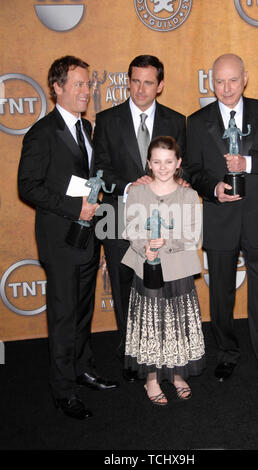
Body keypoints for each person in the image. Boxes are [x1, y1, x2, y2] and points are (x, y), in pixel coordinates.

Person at [186, 53, 258, 384]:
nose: (226, 88)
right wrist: (213, 188)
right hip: (219, 217)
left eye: (233, 80)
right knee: (221, 291)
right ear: (211, 82)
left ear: (245, 78)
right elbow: (192, 170)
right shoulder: (196, 120)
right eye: (219, 81)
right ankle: (227, 353)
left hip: (257, 216)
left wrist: (247, 164)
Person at [18, 56, 118, 420]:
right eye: (78, 84)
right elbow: (27, 186)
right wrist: (74, 208)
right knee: (63, 317)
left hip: (88, 239)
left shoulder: (88, 128)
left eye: (88, 84)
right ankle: (62, 390)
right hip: (61, 241)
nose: (86, 91)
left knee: (82, 312)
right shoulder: (41, 133)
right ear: (56, 87)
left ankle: (82, 367)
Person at [93, 55, 186, 382]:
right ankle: (132, 354)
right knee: (123, 288)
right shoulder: (106, 120)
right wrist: (132, 185)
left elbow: (181, 167)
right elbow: (98, 170)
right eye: (135, 81)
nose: (140, 89)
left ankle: (163, 351)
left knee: (160, 287)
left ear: (159, 85)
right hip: (118, 218)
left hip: (163, 223)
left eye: (148, 82)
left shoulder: (176, 120)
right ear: (128, 80)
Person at [121, 136, 205, 405]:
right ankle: (152, 378)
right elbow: (131, 228)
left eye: (169, 161)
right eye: (157, 162)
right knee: (151, 322)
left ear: (178, 163)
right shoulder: (136, 192)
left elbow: (192, 234)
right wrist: (145, 246)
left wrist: (166, 242)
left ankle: (179, 374)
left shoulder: (189, 195)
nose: (163, 167)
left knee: (177, 321)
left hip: (178, 268)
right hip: (146, 266)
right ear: (149, 163)